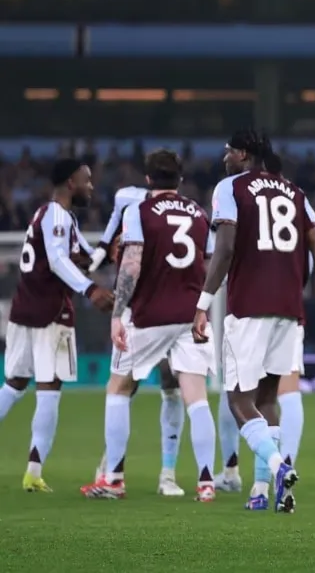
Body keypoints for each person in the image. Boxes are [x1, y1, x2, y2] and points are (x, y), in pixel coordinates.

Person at [192, 131, 315, 514]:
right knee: (268, 398)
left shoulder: (231, 187)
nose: (224, 158)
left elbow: (225, 248)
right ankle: (261, 491)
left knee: (238, 399)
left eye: (228, 152)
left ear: (243, 154)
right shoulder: (296, 193)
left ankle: (278, 467)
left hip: (248, 306)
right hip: (289, 308)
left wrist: (203, 303)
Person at [80, 149, 217, 501]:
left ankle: (113, 479)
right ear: (180, 179)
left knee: (118, 388)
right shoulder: (199, 213)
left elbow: (131, 265)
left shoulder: (139, 211)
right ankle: (206, 482)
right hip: (191, 315)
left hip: (149, 315)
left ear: (147, 179)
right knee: (196, 397)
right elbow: (211, 261)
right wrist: (203, 305)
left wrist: (117, 315)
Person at [0, 159, 114, 491]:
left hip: (24, 309)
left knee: (14, 385)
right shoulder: (57, 215)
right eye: (86, 180)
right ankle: (33, 473)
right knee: (49, 389)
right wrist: (90, 290)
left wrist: (112, 252)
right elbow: (58, 259)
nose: (91, 187)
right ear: (70, 183)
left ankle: (34, 473)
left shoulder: (52, 216)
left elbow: (84, 257)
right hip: (51, 313)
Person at [89, 183, 186, 496]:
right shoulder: (135, 205)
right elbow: (109, 242)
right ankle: (116, 467)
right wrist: (95, 257)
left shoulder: (142, 211)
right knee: (133, 388)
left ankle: (152, 474)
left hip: (155, 312)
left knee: (153, 384)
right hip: (153, 313)